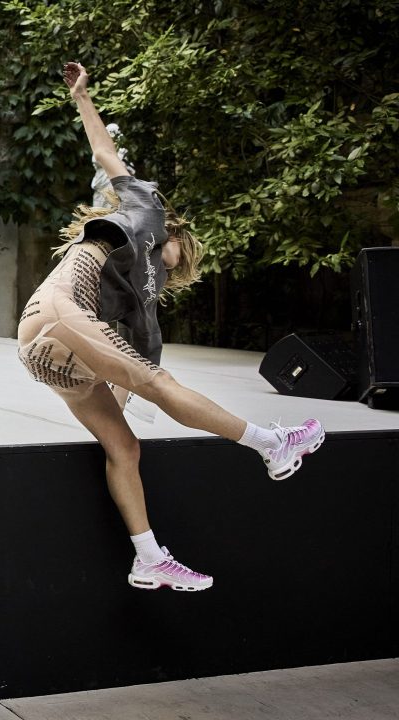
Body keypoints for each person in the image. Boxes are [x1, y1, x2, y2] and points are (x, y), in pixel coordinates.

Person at [16, 62, 325, 593]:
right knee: (158, 384)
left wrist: (126, 389)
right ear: (175, 234)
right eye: (178, 257)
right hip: (59, 310)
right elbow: (104, 154)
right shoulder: (148, 211)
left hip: (53, 355)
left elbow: (130, 377)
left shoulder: (142, 306)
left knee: (125, 447)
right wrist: (82, 98)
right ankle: (270, 443)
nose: (173, 267)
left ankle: (149, 558)